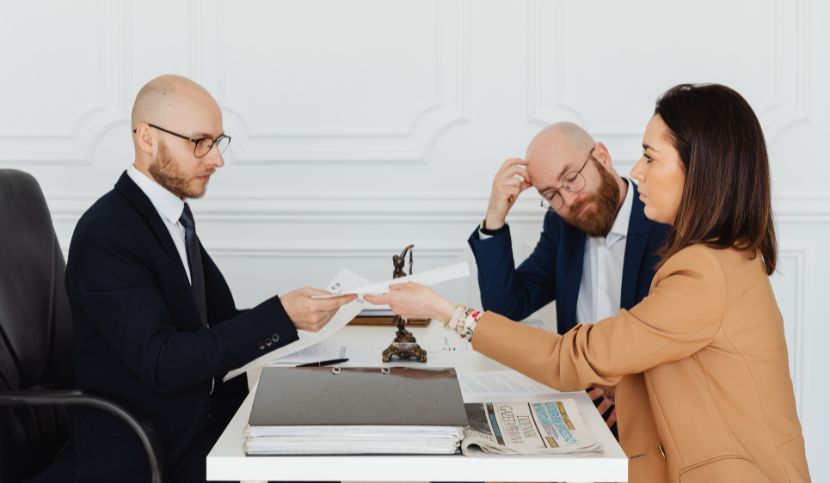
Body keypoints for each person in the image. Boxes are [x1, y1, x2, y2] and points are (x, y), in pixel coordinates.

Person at [367, 83, 812, 483]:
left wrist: (446, 311)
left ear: (700, 169)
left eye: (650, 157)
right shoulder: (725, 254)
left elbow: (573, 357)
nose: (638, 171)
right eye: (551, 195)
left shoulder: (700, 270)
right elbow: (514, 305)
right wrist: (494, 219)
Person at [65, 74, 355, 483]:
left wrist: (297, 316)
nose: (216, 159)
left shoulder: (173, 216)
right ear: (147, 138)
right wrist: (281, 316)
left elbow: (217, 321)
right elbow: (163, 360)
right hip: (152, 451)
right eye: (199, 142)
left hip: (201, 426)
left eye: (217, 142)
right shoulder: (107, 233)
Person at [470, 122, 669, 434]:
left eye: (572, 178)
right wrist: (494, 217)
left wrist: (628, 396)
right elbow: (506, 307)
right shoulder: (561, 225)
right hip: (580, 411)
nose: (569, 200)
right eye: (551, 194)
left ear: (602, 156)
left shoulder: (664, 219)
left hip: (650, 417)